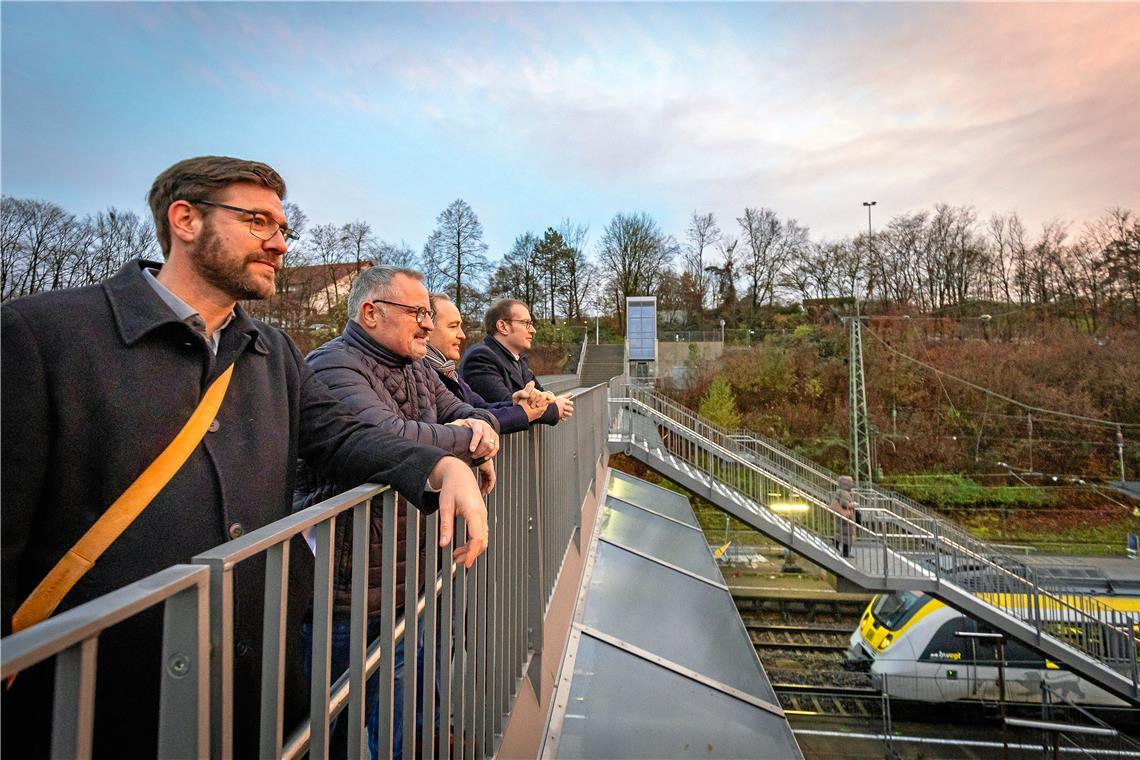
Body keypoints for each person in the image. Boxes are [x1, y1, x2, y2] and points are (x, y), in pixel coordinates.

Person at [0, 156, 488, 758]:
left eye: (283, 229)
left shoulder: (270, 350)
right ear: (185, 220)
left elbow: (341, 438)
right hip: (92, 700)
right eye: (258, 222)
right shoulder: (42, 335)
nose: (279, 244)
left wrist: (440, 467)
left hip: (248, 679)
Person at [293, 266, 500, 759]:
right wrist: (461, 451)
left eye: (429, 314)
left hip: (405, 580)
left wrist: (478, 432)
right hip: (344, 592)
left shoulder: (418, 367)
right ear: (370, 313)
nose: (428, 324)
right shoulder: (332, 367)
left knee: (401, 716)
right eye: (417, 313)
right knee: (336, 731)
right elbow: (388, 437)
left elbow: (474, 413)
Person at [425, 292, 549, 435]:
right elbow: (464, 416)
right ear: (427, 326)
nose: (462, 335)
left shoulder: (444, 370)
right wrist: (527, 410)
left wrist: (518, 405)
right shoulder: (480, 357)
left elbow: (477, 408)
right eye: (453, 326)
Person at [458, 299, 574, 424]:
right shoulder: (480, 357)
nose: (533, 330)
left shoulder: (518, 360)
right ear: (503, 326)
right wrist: (555, 408)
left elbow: (540, 395)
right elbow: (509, 409)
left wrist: (550, 398)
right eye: (526, 323)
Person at [830, 475, 858, 558]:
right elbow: (844, 504)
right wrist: (853, 505)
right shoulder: (845, 493)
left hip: (842, 516)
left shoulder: (839, 491)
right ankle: (845, 553)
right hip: (847, 517)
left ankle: (836, 541)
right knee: (848, 536)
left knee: (842, 533)